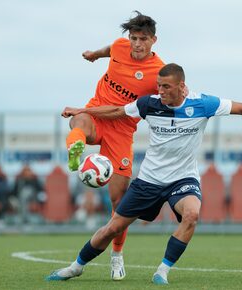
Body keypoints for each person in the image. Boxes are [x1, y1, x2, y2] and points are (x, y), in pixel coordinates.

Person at [48, 63, 242, 284]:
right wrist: (83, 110)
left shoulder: (202, 104)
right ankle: (76, 267)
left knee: (191, 215)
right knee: (113, 228)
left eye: (166, 87)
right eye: (159, 85)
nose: (160, 90)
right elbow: (117, 111)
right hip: (149, 180)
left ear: (182, 86)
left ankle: (162, 270)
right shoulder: (148, 104)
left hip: (183, 179)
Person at [65, 11, 164, 280]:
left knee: (120, 202)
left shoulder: (158, 72)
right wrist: (96, 55)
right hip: (96, 115)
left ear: (153, 40)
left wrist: (182, 90)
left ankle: (117, 255)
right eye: (133, 38)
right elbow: (111, 48)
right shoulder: (120, 47)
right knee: (80, 119)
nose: (137, 44)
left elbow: (171, 88)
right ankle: (75, 152)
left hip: (121, 130)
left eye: (143, 39)